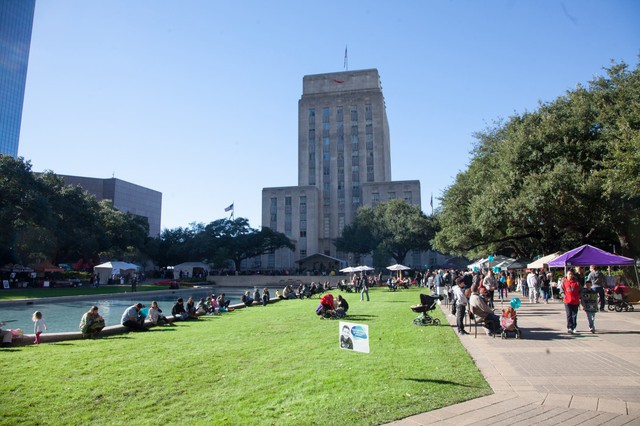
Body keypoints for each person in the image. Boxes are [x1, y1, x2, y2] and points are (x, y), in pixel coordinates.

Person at [562, 270, 581, 334]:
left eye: (571, 274)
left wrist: (579, 296)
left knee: (574, 315)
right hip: (567, 301)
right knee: (569, 314)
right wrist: (564, 296)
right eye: (569, 274)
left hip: (575, 301)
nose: (570, 275)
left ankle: (574, 327)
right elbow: (561, 291)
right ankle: (570, 327)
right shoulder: (564, 282)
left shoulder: (576, 283)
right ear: (566, 275)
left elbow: (580, 290)